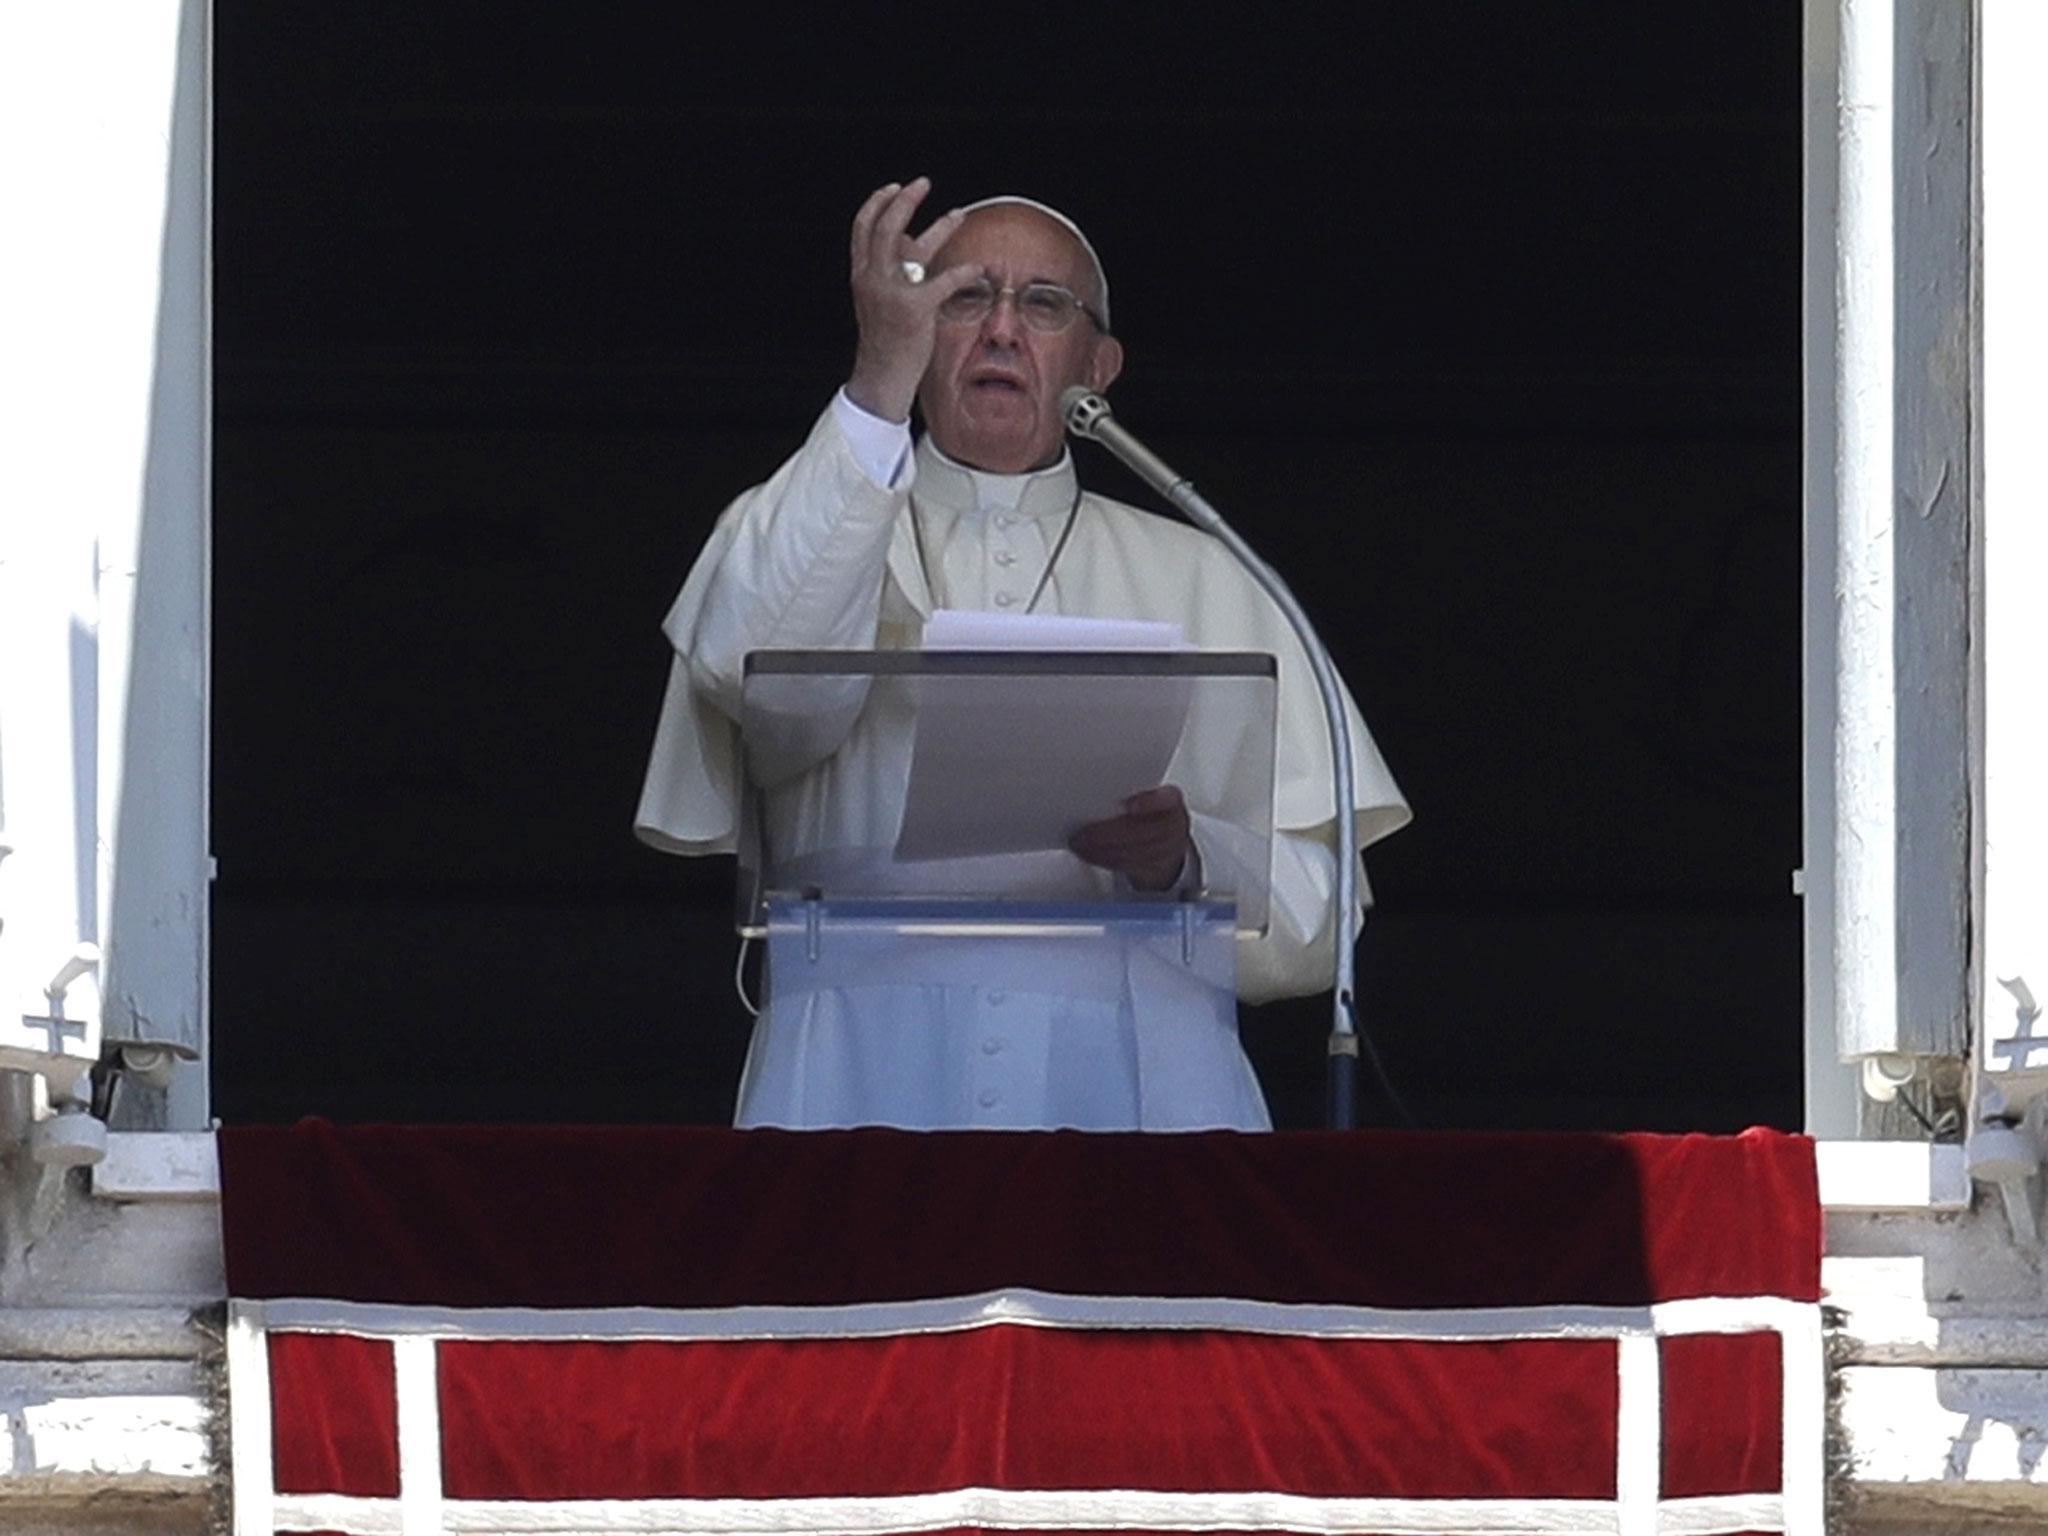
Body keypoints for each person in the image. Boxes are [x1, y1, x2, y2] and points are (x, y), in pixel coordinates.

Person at [636, 179, 1409, 1131]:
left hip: (1137, 1088)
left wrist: (1188, 859)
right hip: (853, 1071)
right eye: (964, 297)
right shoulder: (799, 520)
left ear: (1100, 362)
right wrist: (877, 382)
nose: (1002, 328)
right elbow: (771, 696)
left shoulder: (1211, 572)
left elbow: (1325, 924)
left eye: (1043, 305)